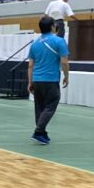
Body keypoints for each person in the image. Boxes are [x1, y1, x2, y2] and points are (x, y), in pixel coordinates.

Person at [27, 15, 69, 145]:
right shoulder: (59, 41)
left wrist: (30, 82)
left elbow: (30, 65)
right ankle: (38, 131)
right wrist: (66, 76)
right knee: (51, 105)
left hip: (37, 78)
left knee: (39, 107)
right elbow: (64, 62)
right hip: (50, 79)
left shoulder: (34, 43)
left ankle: (42, 132)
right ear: (52, 26)